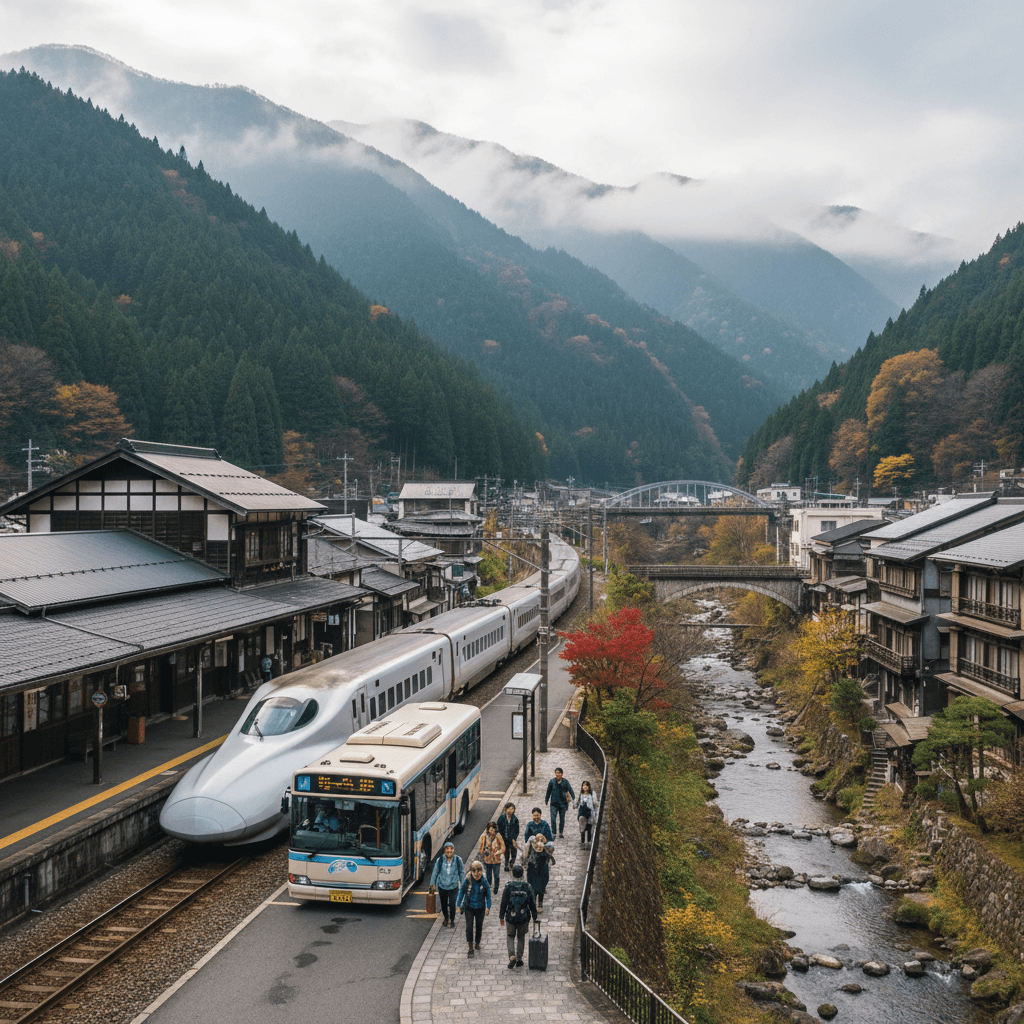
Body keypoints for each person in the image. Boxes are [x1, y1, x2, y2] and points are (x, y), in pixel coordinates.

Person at [499, 863, 538, 968]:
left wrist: (501, 916)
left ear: (513, 874)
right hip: (523, 917)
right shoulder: (527, 886)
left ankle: (511, 955)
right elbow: (532, 903)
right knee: (521, 937)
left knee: (510, 936)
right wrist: (534, 916)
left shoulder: (508, 886)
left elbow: (504, 902)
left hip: (510, 916)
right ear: (522, 874)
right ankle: (519, 958)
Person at [457, 860, 491, 956]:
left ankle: (477, 942)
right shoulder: (467, 880)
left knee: (479, 926)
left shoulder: (484, 881)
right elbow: (461, 892)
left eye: (479, 874)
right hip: (469, 907)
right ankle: (470, 947)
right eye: (475, 875)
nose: (477, 876)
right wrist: (458, 905)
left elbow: (488, 895)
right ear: (472, 872)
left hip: (480, 908)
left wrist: (488, 907)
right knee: (469, 927)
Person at [429, 841, 465, 928]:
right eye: (447, 849)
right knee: (444, 904)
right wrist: (432, 884)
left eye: (451, 849)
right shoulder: (440, 860)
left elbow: (461, 873)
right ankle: (446, 918)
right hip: (442, 886)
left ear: (453, 850)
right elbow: (435, 872)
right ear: (444, 850)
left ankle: (452, 920)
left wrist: (464, 885)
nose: (449, 851)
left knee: (453, 904)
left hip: (453, 887)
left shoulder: (458, 860)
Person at [525, 833, 555, 913]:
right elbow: (526, 855)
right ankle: (534, 905)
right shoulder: (531, 847)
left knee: (541, 890)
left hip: (541, 873)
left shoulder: (546, 851)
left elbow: (550, 860)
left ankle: (540, 904)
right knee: (533, 890)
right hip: (533, 871)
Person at [545, 767, 575, 839]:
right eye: (556, 773)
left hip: (563, 804)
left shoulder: (565, 782)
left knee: (562, 819)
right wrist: (546, 799)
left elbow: (570, 790)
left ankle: (561, 832)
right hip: (554, 803)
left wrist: (574, 799)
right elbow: (548, 791)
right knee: (553, 818)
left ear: (561, 774)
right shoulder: (552, 781)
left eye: (559, 773)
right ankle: (554, 833)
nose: (557, 775)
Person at [478, 822, 505, 890]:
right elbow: (481, 849)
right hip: (487, 859)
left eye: (494, 830)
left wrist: (498, 852)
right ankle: (488, 886)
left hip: (496, 860)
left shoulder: (498, 836)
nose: (492, 831)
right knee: (488, 875)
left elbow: (503, 847)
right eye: (491, 830)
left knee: (496, 875)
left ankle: (496, 887)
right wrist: (484, 852)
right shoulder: (484, 836)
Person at [496, 802, 519, 872]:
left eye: (512, 809)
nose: (510, 811)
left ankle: (512, 861)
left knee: (514, 851)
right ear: (506, 809)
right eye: (509, 809)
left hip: (512, 839)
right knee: (506, 852)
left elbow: (516, 830)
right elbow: (498, 829)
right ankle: (506, 864)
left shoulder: (515, 819)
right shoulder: (501, 818)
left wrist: (514, 839)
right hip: (504, 838)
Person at [575, 780, 596, 845]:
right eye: (584, 785)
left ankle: (589, 840)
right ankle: (582, 840)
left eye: (586, 786)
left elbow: (595, 803)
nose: (585, 787)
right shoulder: (581, 794)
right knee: (582, 826)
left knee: (589, 826)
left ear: (589, 787)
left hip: (590, 813)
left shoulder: (592, 794)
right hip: (582, 813)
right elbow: (578, 802)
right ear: (582, 787)